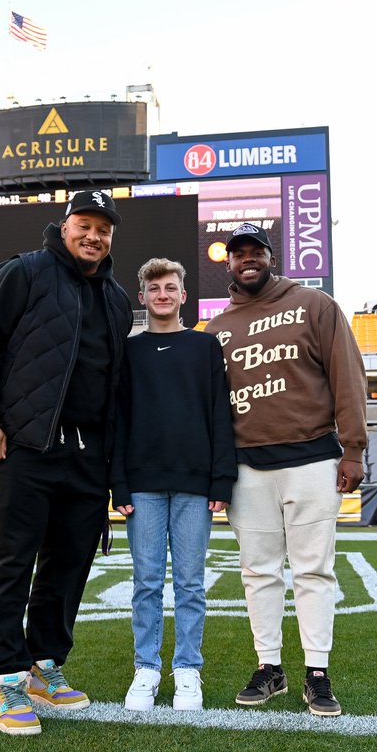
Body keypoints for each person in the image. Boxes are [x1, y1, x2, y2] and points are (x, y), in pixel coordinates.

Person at [0, 189, 133, 736]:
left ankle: (45, 666)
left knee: (69, 565)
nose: (93, 235)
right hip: (26, 446)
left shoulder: (117, 299)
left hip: (87, 456)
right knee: (11, 563)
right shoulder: (23, 273)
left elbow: (113, 384)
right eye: (84, 224)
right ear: (64, 227)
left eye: (103, 229)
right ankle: (7, 675)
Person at [205, 223, 367, 718]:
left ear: (271, 257)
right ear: (228, 263)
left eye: (256, 251)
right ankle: (269, 666)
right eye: (239, 253)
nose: (247, 259)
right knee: (257, 573)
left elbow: (347, 374)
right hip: (248, 468)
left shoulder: (315, 304)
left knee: (314, 571)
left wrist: (354, 448)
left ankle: (316, 672)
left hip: (313, 459)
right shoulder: (216, 329)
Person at [111, 258, 237, 713]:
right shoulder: (128, 351)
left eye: (171, 287)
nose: (162, 294)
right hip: (142, 485)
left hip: (194, 486)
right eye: (154, 288)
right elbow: (118, 421)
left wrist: (221, 478)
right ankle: (146, 668)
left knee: (190, 583)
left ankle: (187, 670)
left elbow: (220, 416)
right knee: (145, 582)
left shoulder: (205, 348)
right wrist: (118, 485)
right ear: (141, 297)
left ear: (184, 296)